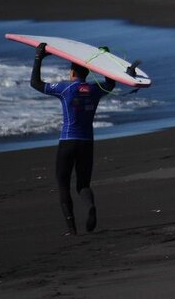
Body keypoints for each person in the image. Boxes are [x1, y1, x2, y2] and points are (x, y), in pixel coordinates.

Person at [30, 42, 117, 235]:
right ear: (87, 73)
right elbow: (111, 83)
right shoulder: (95, 90)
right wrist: (106, 60)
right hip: (87, 143)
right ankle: (90, 207)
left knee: (63, 185)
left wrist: (38, 58)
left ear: (72, 73)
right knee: (83, 184)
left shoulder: (65, 88)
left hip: (68, 142)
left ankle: (71, 229)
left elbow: (36, 83)